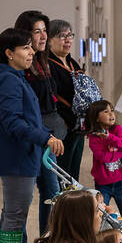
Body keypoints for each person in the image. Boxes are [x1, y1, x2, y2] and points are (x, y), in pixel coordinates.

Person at [0, 29, 64, 243]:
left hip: (23, 156)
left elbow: (28, 118)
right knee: (15, 215)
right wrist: (45, 138)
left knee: (13, 213)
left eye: (31, 47)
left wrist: (44, 134)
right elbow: (13, 123)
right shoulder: (7, 80)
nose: (32, 52)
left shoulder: (14, 76)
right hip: (16, 158)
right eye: (25, 48)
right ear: (9, 53)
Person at [14, 10, 67, 235]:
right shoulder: (22, 69)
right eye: (37, 31)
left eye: (45, 30)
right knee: (22, 204)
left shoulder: (42, 63)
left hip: (47, 138)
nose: (43, 36)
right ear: (25, 35)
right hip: (34, 138)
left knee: (52, 194)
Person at [47, 19, 84, 180]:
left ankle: (73, 204)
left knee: (74, 175)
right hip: (62, 129)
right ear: (49, 40)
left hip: (79, 127)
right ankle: (63, 205)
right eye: (62, 36)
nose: (68, 40)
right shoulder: (48, 65)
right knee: (62, 176)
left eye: (70, 35)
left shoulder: (72, 62)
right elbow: (51, 98)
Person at [87, 100, 122, 217]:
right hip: (102, 184)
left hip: (121, 182)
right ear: (96, 118)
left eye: (112, 110)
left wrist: (109, 137)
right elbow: (102, 157)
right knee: (100, 214)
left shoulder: (118, 130)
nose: (111, 114)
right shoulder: (94, 136)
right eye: (106, 112)